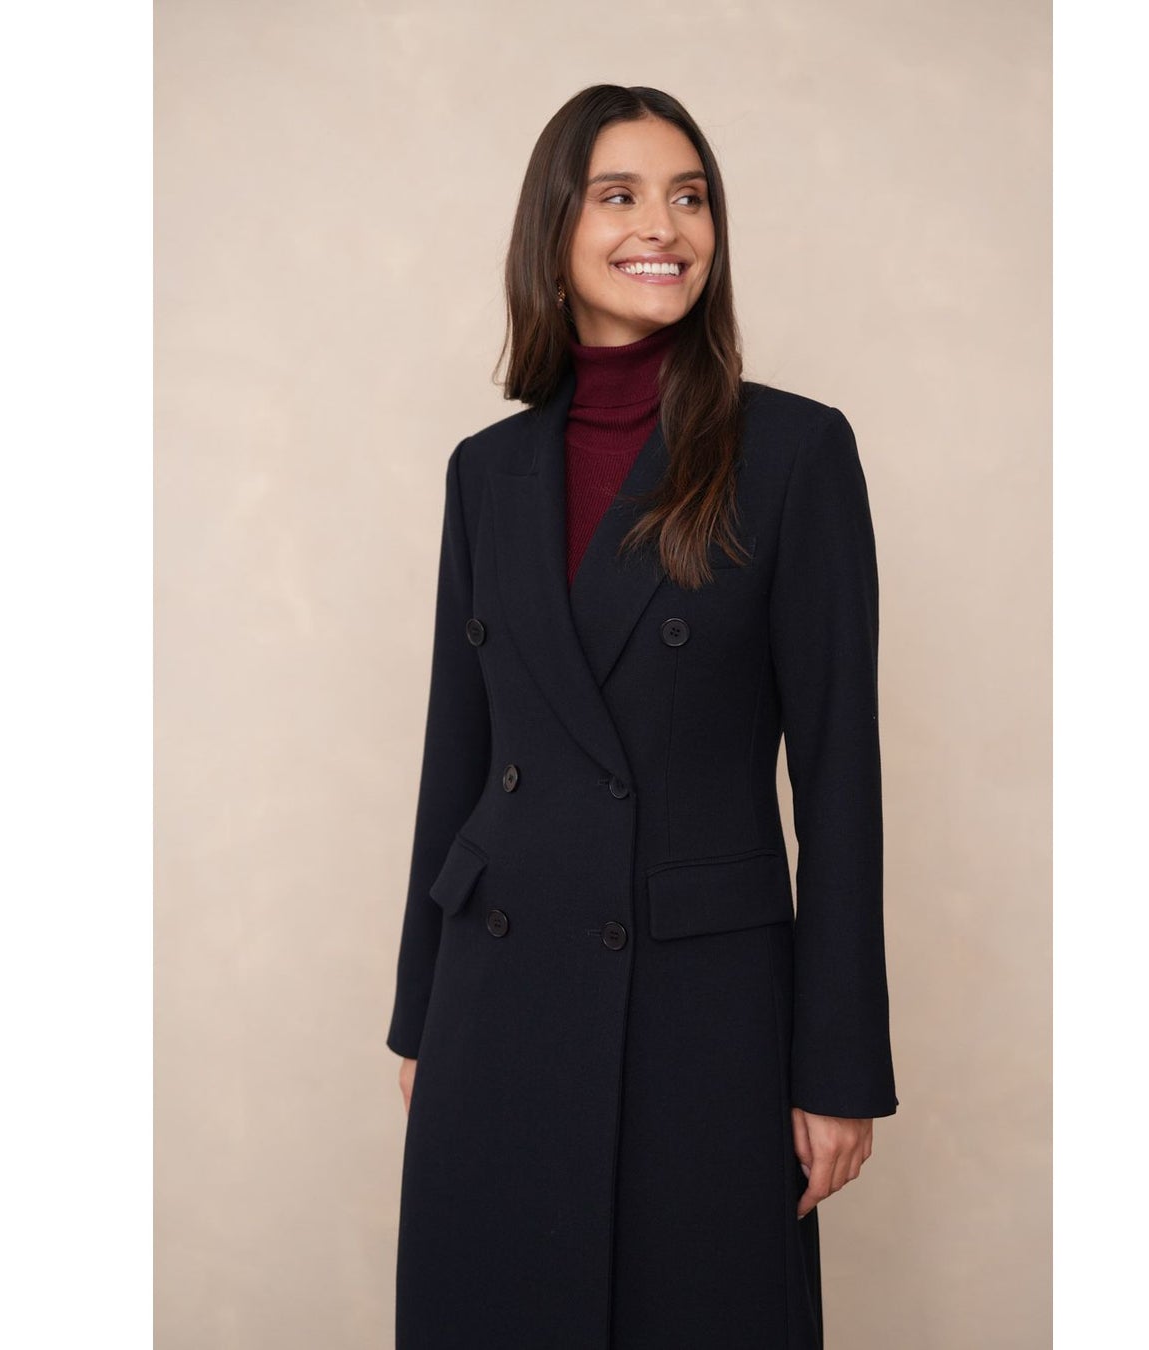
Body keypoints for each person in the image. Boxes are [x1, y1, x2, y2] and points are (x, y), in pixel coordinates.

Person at [386, 84, 898, 1350]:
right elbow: (461, 750)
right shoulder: (487, 472)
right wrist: (421, 1011)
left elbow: (840, 778)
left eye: (690, 196)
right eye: (619, 195)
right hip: (498, 991)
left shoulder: (793, 453)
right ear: (555, 229)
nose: (662, 226)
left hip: (701, 1005)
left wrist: (837, 1064)